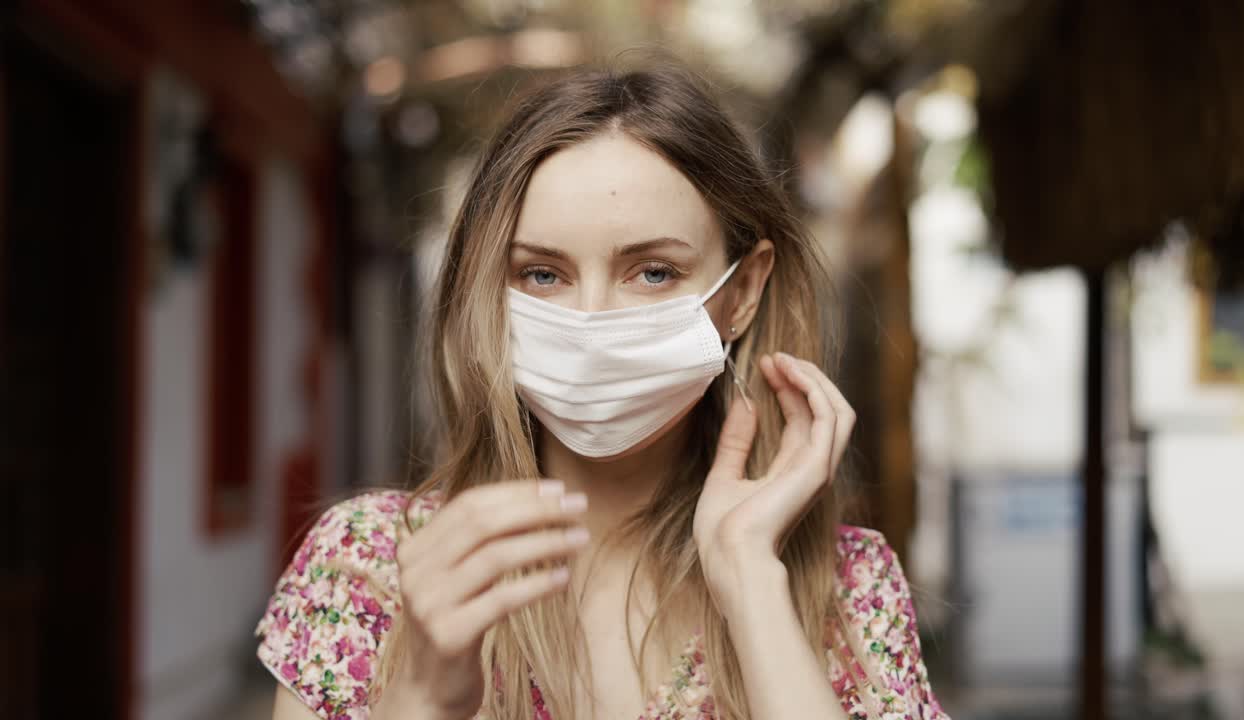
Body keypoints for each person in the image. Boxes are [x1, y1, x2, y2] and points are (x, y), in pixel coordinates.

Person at [255, 60, 949, 720]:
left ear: (741, 291)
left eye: (651, 273)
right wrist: (420, 700)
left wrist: (751, 578)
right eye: (541, 275)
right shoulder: (371, 568)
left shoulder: (848, 590)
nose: (590, 322)